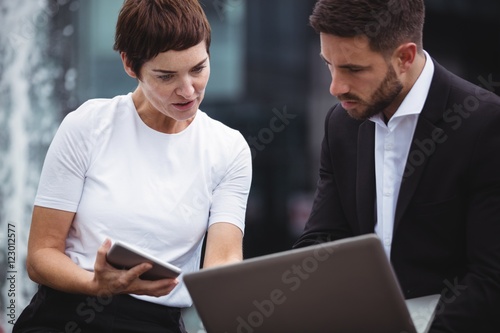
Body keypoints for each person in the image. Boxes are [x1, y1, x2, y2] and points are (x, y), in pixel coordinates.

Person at [14, 0, 252, 332]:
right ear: (129, 64)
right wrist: (96, 285)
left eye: (198, 68)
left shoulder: (228, 149)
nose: (188, 90)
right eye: (166, 76)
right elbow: (40, 257)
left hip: (157, 323)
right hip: (65, 314)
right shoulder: (87, 126)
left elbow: (222, 266)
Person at [293, 0, 500, 332]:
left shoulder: (484, 123)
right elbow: (323, 241)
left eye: (353, 69)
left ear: (404, 57)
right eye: (329, 65)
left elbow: (491, 279)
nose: (335, 87)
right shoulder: (341, 124)